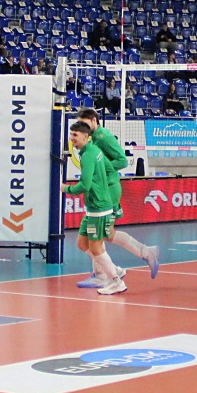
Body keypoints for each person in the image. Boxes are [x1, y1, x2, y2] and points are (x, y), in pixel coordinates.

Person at [73, 109, 159, 286]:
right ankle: (137, 256)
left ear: (94, 121)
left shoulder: (103, 137)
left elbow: (122, 160)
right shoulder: (92, 140)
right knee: (104, 234)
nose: (82, 127)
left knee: (99, 234)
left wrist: (99, 169)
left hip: (109, 189)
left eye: (85, 123)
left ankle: (106, 274)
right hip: (102, 188)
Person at [67, 122, 127, 295]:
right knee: (81, 243)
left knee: (95, 246)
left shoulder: (89, 155)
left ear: (86, 136)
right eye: (71, 135)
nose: (72, 138)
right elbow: (108, 169)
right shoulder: (94, 151)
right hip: (93, 206)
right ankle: (114, 270)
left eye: (75, 135)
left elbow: (85, 185)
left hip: (99, 207)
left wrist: (66, 189)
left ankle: (116, 281)